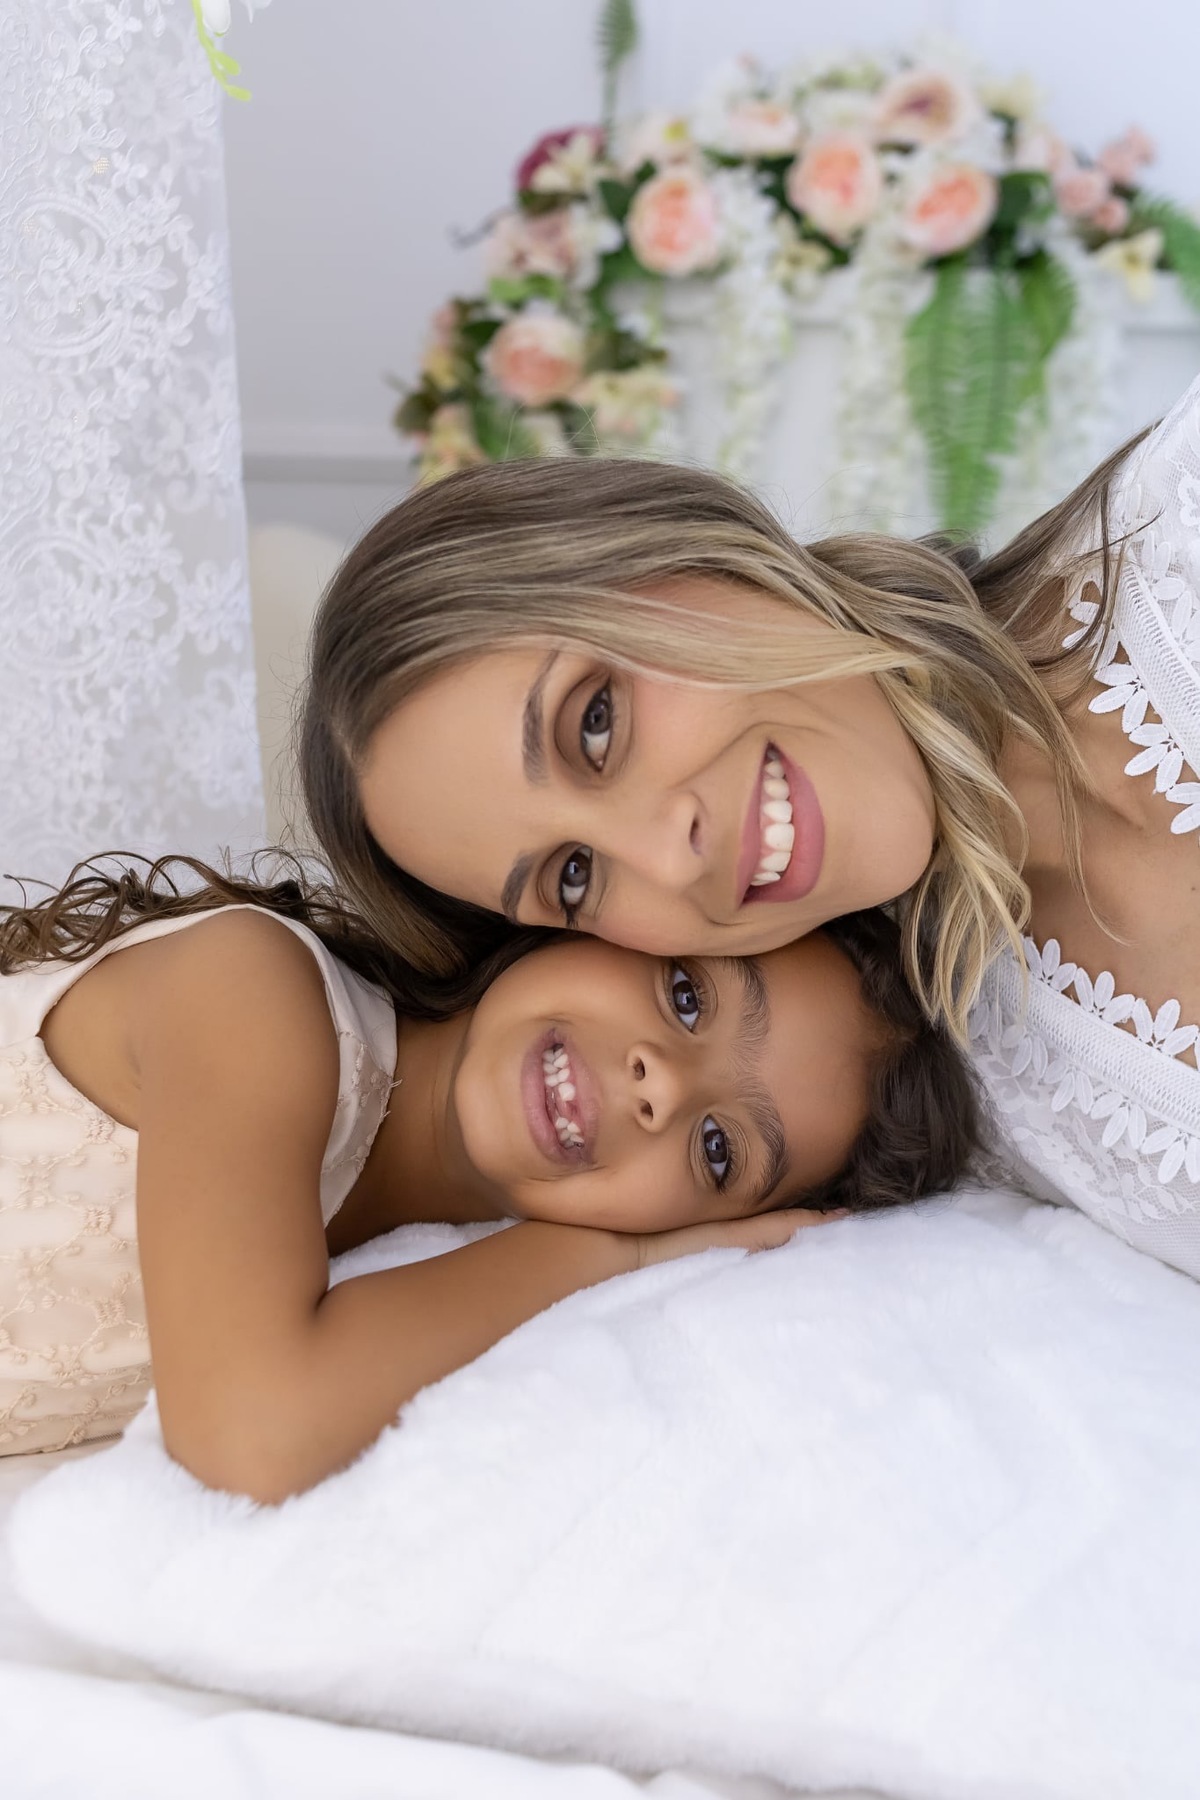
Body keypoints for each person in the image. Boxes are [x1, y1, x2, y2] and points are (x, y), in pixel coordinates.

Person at [298, 373, 1200, 1279]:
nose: (666, 854)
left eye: (596, 725)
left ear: (675, 550)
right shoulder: (965, 1096)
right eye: (574, 875)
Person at [0, 856, 976, 1499]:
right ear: (597, 920)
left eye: (719, 1150)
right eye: (687, 995)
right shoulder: (252, 993)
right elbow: (251, 1430)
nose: (661, 1085)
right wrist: (612, 1246)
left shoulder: (409, 1268)